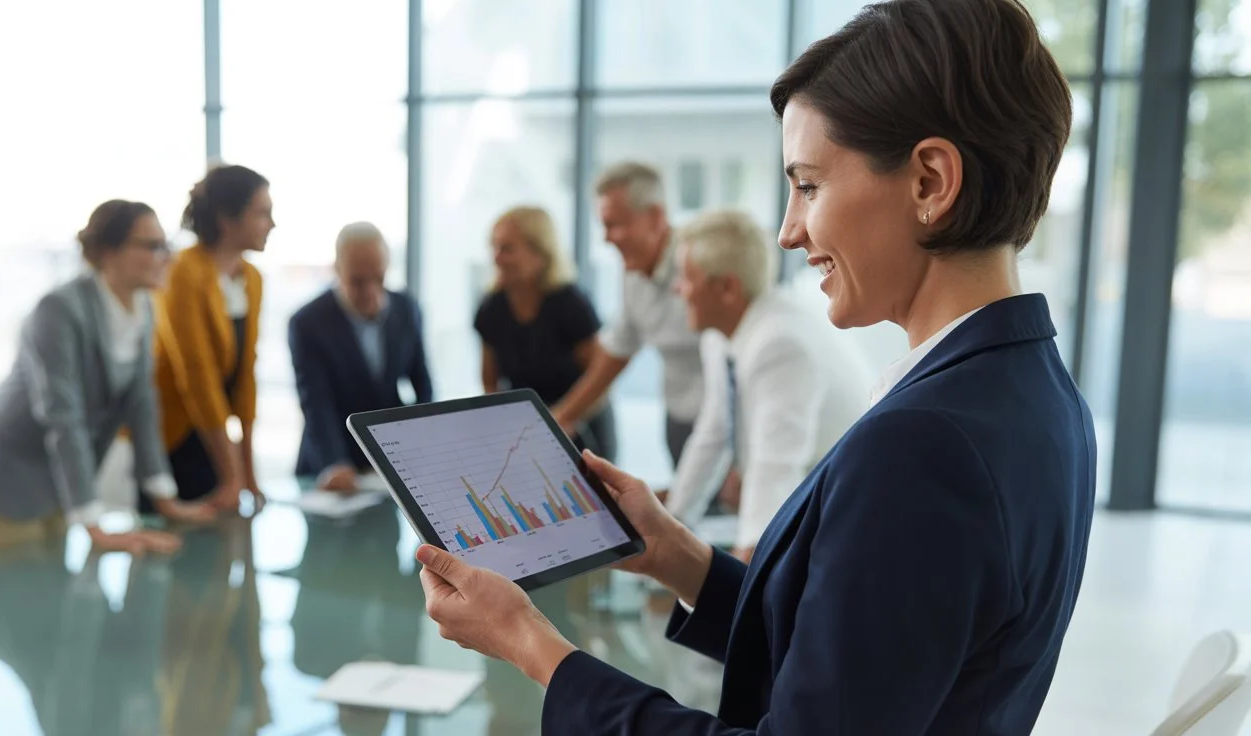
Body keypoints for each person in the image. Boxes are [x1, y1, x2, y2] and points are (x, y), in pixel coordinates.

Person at [414, 1, 1097, 732]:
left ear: (930, 182)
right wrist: (675, 554)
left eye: (808, 185)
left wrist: (532, 646)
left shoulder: (923, 447)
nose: (787, 230)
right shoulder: (1037, 395)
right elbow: (861, 665)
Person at [0, 200, 213, 555]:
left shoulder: (143, 307)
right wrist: (95, 527)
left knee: (56, 585)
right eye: (151, 246)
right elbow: (64, 416)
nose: (165, 256)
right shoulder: (58, 309)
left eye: (165, 245)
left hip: (61, 474)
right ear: (107, 252)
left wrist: (166, 499)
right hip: (9, 468)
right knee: (16, 588)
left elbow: (142, 406)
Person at [667, 208, 869, 564]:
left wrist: (749, 567)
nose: (677, 289)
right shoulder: (722, 335)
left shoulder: (780, 342)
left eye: (686, 277)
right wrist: (669, 526)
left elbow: (775, 465)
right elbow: (711, 437)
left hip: (843, 520)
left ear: (727, 288)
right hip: (806, 508)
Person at [550, 163, 702, 467]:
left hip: (732, 422)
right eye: (603, 226)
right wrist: (561, 418)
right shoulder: (632, 271)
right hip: (680, 418)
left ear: (656, 217)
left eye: (615, 224)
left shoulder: (700, 261)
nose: (607, 238)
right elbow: (617, 353)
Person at [150, 165, 272, 514]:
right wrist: (231, 475)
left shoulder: (251, 277)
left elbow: (246, 376)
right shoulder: (183, 271)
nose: (272, 224)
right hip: (175, 439)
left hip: (217, 441)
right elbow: (197, 377)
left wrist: (249, 474)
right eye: (262, 213)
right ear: (226, 219)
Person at [288, 222, 433, 492]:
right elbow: (316, 402)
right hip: (331, 463)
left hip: (390, 461)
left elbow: (423, 384)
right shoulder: (307, 322)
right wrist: (334, 464)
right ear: (337, 269)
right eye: (357, 281)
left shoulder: (406, 308)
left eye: (377, 278)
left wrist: (422, 445)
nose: (369, 291)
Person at [475, 206, 616, 460]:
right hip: (526, 433)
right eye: (494, 248)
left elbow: (600, 379)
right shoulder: (491, 308)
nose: (497, 257)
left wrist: (562, 418)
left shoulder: (571, 304)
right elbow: (490, 383)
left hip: (582, 428)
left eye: (507, 249)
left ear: (539, 252)